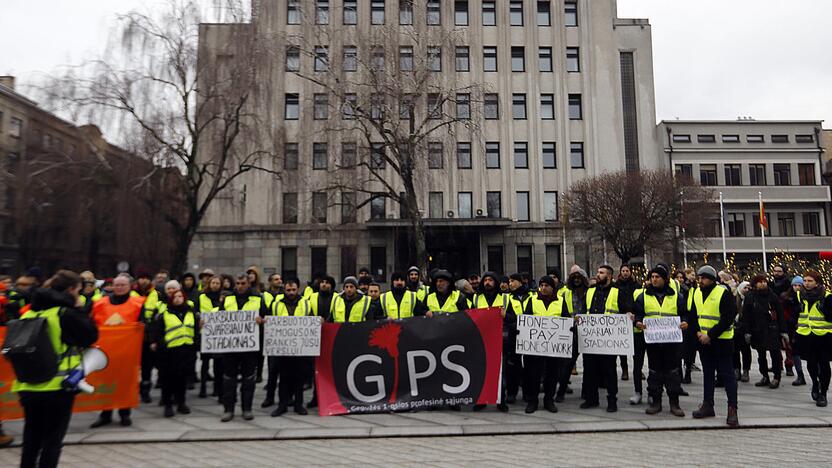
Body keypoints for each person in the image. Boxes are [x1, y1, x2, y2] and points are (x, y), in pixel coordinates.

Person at [13, 270, 98, 468]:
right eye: (78, 290)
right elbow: (90, 336)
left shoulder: (31, 311)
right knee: (52, 442)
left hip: (28, 386)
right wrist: (79, 309)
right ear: (70, 290)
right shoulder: (64, 313)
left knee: (31, 440)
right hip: (57, 388)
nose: (79, 294)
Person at [89, 274, 144, 428]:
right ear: (113, 286)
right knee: (106, 383)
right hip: (106, 351)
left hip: (127, 352)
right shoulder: (100, 303)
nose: (119, 288)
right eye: (117, 285)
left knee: (125, 383)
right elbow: (92, 323)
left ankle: (124, 413)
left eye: (123, 285)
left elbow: (142, 324)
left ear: (130, 287)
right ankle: (105, 413)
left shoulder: (138, 303)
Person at [634, 265, 688, 417]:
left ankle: (674, 403)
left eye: (657, 277)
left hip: (671, 342)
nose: (654, 279)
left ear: (665, 279)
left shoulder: (677, 296)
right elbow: (638, 314)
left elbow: (684, 314)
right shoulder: (643, 296)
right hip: (653, 342)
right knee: (654, 372)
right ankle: (655, 401)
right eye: (652, 277)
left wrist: (685, 322)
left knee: (673, 372)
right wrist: (638, 322)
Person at [690, 265, 739, 427]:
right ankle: (707, 404)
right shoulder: (696, 293)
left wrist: (709, 335)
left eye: (703, 278)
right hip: (703, 341)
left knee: (727, 375)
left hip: (722, 341)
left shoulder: (723, 293)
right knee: (708, 374)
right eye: (699, 278)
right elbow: (693, 316)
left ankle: (732, 408)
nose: (700, 281)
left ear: (712, 279)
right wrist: (698, 333)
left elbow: (727, 318)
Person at [580, 265, 630, 413]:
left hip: (609, 340)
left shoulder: (617, 292)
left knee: (609, 371)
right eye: (597, 272)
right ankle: (591, 399)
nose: (597, 275)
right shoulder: (590, 292)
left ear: (609, 276)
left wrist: (628, 314)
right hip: (591, 338)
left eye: (601, 273)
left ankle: (612, 400)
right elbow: (584, 310)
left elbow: (626, 308)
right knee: (590, 370)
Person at [219, 274, 268, 421]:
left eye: (243, 283)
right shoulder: (227, 299)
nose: (240, 286)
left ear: (248, 284)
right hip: (231, 347)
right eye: (238, 283)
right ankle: (228, 409)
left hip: (250, 348)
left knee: (248, 380)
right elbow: (219, 319)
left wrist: (261, 321)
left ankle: (247, 409)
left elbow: (268, 318)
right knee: (229, 379)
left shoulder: (258, 299)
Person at [523, 276, 568, 414]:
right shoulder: (532, 300)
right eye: (541, 285)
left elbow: (565, 319)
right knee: (533, 374)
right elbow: (526, 319)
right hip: (535, 346)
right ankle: (533, 401)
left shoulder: (560, 301)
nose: (543, 288)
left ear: (552, 288)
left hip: (553, 347)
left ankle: (549, 400)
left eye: (546, 285)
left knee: (552, 374)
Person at [270, 278, 313, 416]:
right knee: (283, 378)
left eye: (293, 290)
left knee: (299, 378)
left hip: (300, 348)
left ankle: (298, 405)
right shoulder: (276, 304)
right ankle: (282, 405)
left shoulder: (306, 304)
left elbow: (311, 321)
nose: (291, 292)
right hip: (283, 348)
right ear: (284, 290)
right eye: (288, 290)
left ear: (298, 289)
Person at [151, 288, 196, 417]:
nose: (178, 299)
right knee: (168, 380)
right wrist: (161, 346)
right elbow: (158, 332)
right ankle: (168, 405)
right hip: (169, 352)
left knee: (182, 379)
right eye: (175, 297)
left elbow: (195, 329)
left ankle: (181, 403)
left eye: (180, 296)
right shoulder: (165, 314)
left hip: (186, 350)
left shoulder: (190, 312)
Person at [793, 270, 832, 407]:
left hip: (823, 336)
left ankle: (823, 393)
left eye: (810, 281)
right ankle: (815, 383)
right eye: (805, 281)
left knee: (824, 364)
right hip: (805, 334)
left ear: (817, 283)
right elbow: (796, 313)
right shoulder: (799, 295)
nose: (806, 283)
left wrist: (825, 311)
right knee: (811, 363)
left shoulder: (827, 296)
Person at [471, 271, 510, 412]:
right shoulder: (476, 298)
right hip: (481, 339)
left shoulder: (505, 298)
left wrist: (506, 315)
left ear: (496, 282)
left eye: (491, 280)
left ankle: (501, 400)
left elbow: (515, 318)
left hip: (500, 339)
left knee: (501, 371)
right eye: (485, 280)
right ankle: (482, 400)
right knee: (481, 371)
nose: (488, 282)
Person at [743, 275, 786, 389]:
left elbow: (780, 313)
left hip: (772, 329)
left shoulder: (772, 296)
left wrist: (783, 330)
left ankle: (777, 377)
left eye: (764, 281)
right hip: (757, 330)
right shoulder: (750, 297)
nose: (763, 284)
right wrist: (747, 331)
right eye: (760, 282)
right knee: (761, 354)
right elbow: (746, 315)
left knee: (775, 354)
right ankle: (764, 376)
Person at [555, 268, 590, 403]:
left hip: (587, 331)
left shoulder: (590, 293)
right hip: (571, 330)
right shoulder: (566, 294)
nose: (576, 280)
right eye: (574, 278)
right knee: (568, 364)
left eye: (579, 278)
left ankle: (586, 392)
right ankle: (561, 391)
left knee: (588, 364)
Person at [198, 275, 224, 399]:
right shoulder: (202, 296)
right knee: (205, 362)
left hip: (219, 334)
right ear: (209, 284)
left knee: (218, 363)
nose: (215, 285)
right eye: (213, 283)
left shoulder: (224, 298)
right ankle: (203, 387)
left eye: (217, 283)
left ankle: (217, 388)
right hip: (206, 333)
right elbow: (196, 311)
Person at [616, 265, 639, 381]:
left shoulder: (636, 285)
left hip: (633, 317)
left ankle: (637, 369)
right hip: (621, 318)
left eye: (627, 271)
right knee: (622, 347)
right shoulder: (617, 285)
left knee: (635, 346)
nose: (625, 273)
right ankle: (624, 369)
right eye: (623, 271)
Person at [785, 276, 807, 386]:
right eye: (795, 285)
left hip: (805, 328)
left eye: (799, 285)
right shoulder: (787, 298)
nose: (797, 287)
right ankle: (800, 375)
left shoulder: (805, 297)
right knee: (794, 352)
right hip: (792, 327)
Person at [733, 281, 753, 383]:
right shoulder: (735, 299)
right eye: (745, 288)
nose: (747, 290)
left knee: (746, 351)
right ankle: (736, 369)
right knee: (735, 351)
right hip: (735, 329)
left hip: (746, 329)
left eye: (749, 288)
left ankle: (746, 370)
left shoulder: (751, 299)